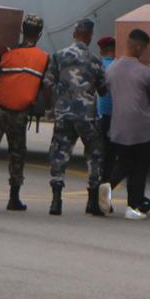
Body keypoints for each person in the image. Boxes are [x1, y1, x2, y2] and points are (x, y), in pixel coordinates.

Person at [0, 13, 50, 212]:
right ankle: (14, 198)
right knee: (17, 154)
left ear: (22, 31)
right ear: (40, 33)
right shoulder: (43, 58)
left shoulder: (8, 54)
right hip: (19, 112)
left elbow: (0, 75)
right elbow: (44, 85)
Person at [43, 19, 109, 217]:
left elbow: (47, 84)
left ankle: (56, 200)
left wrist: (50, 107)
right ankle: (92, 201)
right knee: (95, 155)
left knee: (59, 154)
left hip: (64, 114)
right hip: (87, 116)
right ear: (89, 37)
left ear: (74, 34)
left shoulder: (58, 56)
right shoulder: (95, 60)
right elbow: (103, 91)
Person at [102, 28, 150, 219]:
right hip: (140, 126)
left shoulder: (111, 69)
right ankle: (134, 206)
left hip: (119, 125)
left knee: (124, 164)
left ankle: (105, 188)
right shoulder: (145, 72)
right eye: (144, 49)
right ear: (138, 47)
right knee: (139, 168)